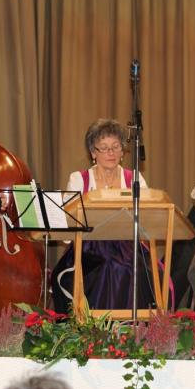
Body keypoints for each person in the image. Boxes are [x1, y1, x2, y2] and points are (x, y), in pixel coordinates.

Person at [51, 119, 154, 314]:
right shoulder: (78, 179)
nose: (111, 153)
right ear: (93, 153)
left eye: (116, 147)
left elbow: (148, 221)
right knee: (109, 265)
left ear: (123, 151)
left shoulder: (135, 180)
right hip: (88, 248)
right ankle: (97, 330)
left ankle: (131, 328)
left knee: (132, 267)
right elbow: (68, 224)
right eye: (104, 148)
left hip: (128, 246)